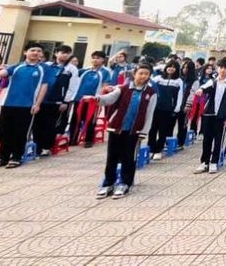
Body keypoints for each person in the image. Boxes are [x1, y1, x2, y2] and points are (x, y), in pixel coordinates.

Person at [0, 44, 50, 169]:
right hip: (8, 104)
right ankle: (2, 158)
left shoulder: (43, 69)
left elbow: (44, 87)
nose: (36, 53)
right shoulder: (17, 67)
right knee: (4, 132)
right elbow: (2, 73)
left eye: (38, 51)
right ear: (25, 52)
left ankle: (16, 157)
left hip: (27, 106)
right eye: (32, 50)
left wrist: (37, 104)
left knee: (20, 132)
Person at [95, 63, 157, 199]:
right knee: (112, 156)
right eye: (141, 73)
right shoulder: (123, 88)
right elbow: (110, 98)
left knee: (129, 157)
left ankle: (125, 182)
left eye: (146, 74)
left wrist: (144, 131)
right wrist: (98, 99)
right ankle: (108, 183)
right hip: (116, 128)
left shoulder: (150, 93)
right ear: (135, 74)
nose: (143, 76)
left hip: (134, 131)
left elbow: (149, 114)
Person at [195, 59, 226, 174]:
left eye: (225, 68)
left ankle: (214, 162)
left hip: (221, 116)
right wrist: (200, 90)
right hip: (209, 114)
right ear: (217, 68)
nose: (222, 70)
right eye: (221, 67)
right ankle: (204, 162)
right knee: (207, 140)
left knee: (218, 140)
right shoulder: (213, 81)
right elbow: (204, 87)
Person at [69, 51, 112, 147]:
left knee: (91, 121)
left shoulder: (105, 72)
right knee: (75, 120)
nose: (95, 60)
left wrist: (99, 98)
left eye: (98, 58)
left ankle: (88, 140)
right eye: (93, 58)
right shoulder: (84, 70)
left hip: (93, 101)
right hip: (79, 99)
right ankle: (72, 139)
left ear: (103, 60)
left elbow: (105, 86)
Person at [148, 62, 184, 160]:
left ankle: (158, 150)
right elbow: (149, 80)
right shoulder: (158, 78)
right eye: (169, 66)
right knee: (152, 129)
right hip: (155, 107)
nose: (171, 69)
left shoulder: (178, 81)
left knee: (163, 130)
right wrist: (158, 67)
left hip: (168, 109)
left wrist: (177, 108)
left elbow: (180, 95)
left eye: (174, 67)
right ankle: (151, 149)